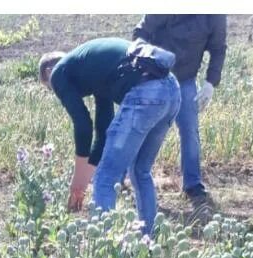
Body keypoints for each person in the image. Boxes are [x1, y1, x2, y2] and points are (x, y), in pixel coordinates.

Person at [39, 38, 180, 234]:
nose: (56, 92)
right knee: (140, 171)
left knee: (105, 178)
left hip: (146, 93)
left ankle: (102, 247)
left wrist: (79, 181)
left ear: (48, 73)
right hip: (171, 91)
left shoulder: (58, 74)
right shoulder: (93, 68)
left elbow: (83, 125)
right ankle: (148, 242)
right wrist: (84, 178)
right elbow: (103, 129)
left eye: (50, 89)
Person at [132, 14, 228, 203]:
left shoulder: (215, 14)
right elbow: (141, 32)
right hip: (154, 76)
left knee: (189, 130)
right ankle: (122, 179)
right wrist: (143, 56)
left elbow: (218, 48)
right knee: (140, 129)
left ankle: (193, 185)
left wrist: (210, 83)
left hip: (185, 80)